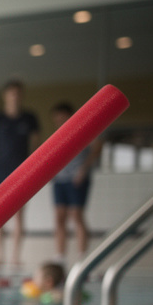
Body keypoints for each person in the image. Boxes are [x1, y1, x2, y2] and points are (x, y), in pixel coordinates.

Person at [0, 80, 40, 268]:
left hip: (22, 173)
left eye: (18, 93)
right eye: (11, 93)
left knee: (19, 216)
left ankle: (15, 257)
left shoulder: (29, 118)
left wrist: (34, 172)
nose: (15, 97)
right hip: (0, 173)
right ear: (5, 96)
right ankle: (0, 255)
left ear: (22, 95)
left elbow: (36, 148)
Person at [50, 101, 100, 260]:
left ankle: (82, 256)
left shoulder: (83, 131)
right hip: (59, 179)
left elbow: (97, 147)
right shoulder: (57, 135)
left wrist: (84, 169)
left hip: (77, 179)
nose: (59, 122)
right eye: (57, 120)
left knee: (76, 215)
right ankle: (60, 256)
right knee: (59, 216)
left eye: (62, 118)